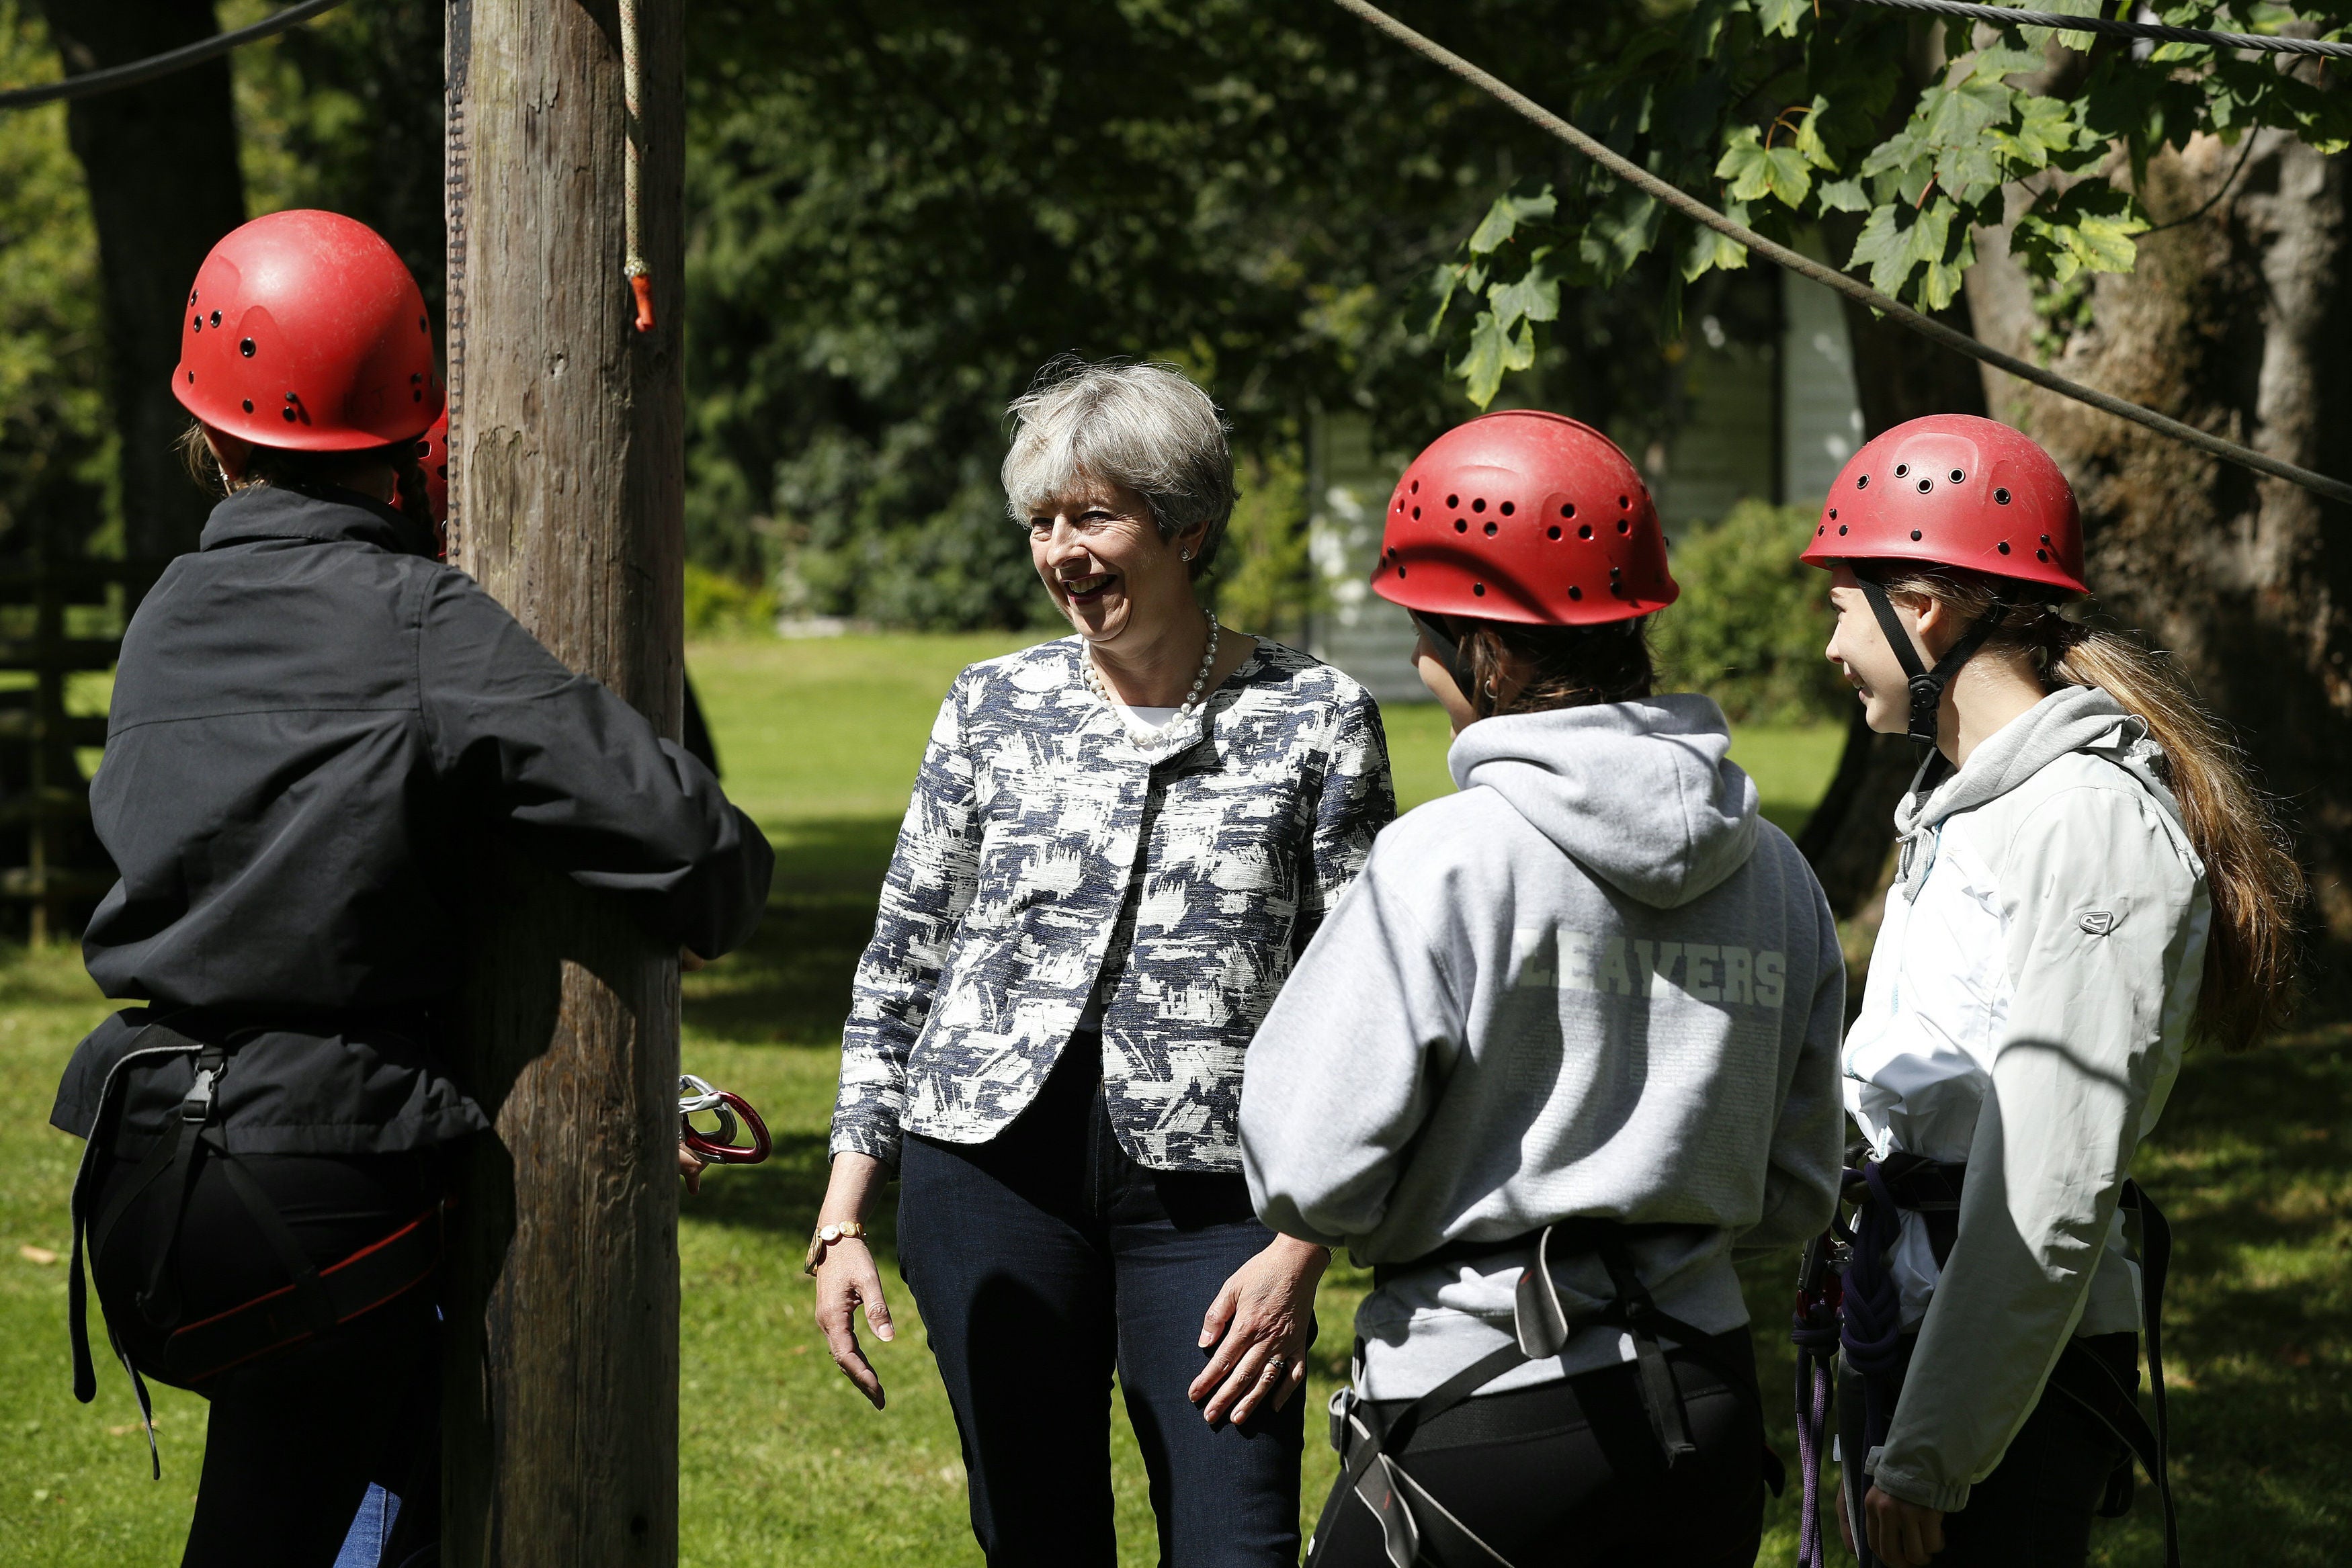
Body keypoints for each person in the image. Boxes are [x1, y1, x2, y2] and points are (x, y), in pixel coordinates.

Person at [52, 209, 774, 1568]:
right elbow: (704, 858)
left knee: (318, 1507)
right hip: (323, 1189)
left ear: (208, 423)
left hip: (152, 1173)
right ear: (411, 409)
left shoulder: (168, 614)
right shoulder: (422, 622)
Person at [810, 357, 1395, 1566]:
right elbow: (905, 954)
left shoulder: (1317, 714)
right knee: (1039, 1537)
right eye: (1041, 522)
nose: (1062, 553)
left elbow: (1367, 999)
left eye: (1093, 516)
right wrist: (845, 1210)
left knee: (1236, 1543)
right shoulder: (990, 705)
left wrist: (1304, 1244)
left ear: (1186, 525)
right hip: (988, 1174)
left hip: (1218, 1198)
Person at [1240, 409, 1847, 1568]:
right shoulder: (1778, 871)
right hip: (1702, 1403)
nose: (1423, 669)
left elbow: (1307, 1165)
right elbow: (1797, 1185)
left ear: (1490, 650)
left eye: (1426, 635)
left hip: (1478, 1403)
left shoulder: (1449, 859)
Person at [1798, 415, 2303, 1568]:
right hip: (1918, 1318)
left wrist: (1931, 1446)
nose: (1830, 644)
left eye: (1841, 605)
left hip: (2001, 1366)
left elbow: (2052, 1171)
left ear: (1921, 605)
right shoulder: (1972, 797)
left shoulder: (2088, 822)